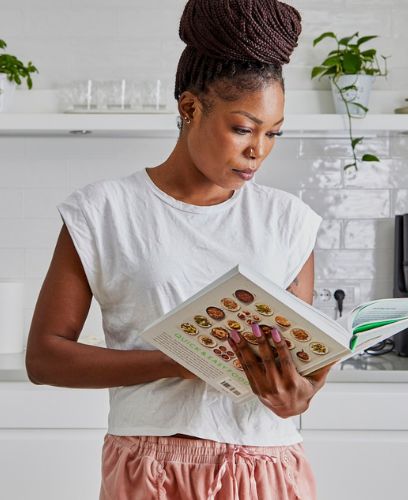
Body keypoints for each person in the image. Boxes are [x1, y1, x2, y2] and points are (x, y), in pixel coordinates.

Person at [25, 1, 335, 498]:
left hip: (267, 467)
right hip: (150, 468)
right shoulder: (104, 211)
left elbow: (301, 375)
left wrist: (296, 396)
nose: (258, 149)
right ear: (190, 108)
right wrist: (185, 360)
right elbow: (45, 359)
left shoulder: (289, 221)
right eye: (242, 128)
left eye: (273, 133)